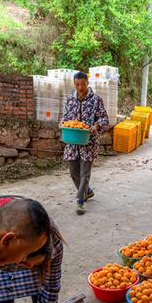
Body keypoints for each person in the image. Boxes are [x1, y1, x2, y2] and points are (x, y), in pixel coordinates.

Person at [62, 71, 110, 215]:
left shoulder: (96, 100)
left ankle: (80, 201)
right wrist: (63, 124)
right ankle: (87, 191)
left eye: (83, 84)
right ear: (74, 84)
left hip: (89, 141)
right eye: (77, 84)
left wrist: (96, 126)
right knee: (73, 172)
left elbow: (104, 119)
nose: (80, 87)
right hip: (72, 141)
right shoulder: (70, 99)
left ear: (87, 83)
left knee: (84, 173)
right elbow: (65, 118)